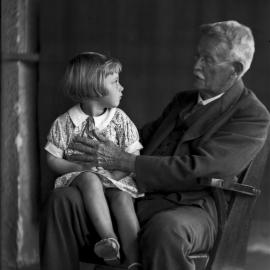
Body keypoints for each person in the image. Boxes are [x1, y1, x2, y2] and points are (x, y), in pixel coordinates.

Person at [40, 21, 270, 270]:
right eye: (197, 56)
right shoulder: (183, 101)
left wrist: (125, 161)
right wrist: (97, 146)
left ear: (235, 69)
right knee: (63, 199)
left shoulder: (250, 114)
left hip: (195, 209)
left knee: (166, 229)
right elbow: (141, 138)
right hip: (140, 195)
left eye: (208, 60)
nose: (196, 66)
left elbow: (206, 168)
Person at [43, 52, 143, 269]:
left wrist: (117, 175)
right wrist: (78, 167)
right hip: (83, 180)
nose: (121, 87)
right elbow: (52, 158)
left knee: (123, 200)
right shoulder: (65, 123)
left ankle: (134, 260)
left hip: (116, 181)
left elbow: (133, 153)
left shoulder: (119, 119)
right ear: (94, 87)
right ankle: (109, 240)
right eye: (115, 82)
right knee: (89, 179)